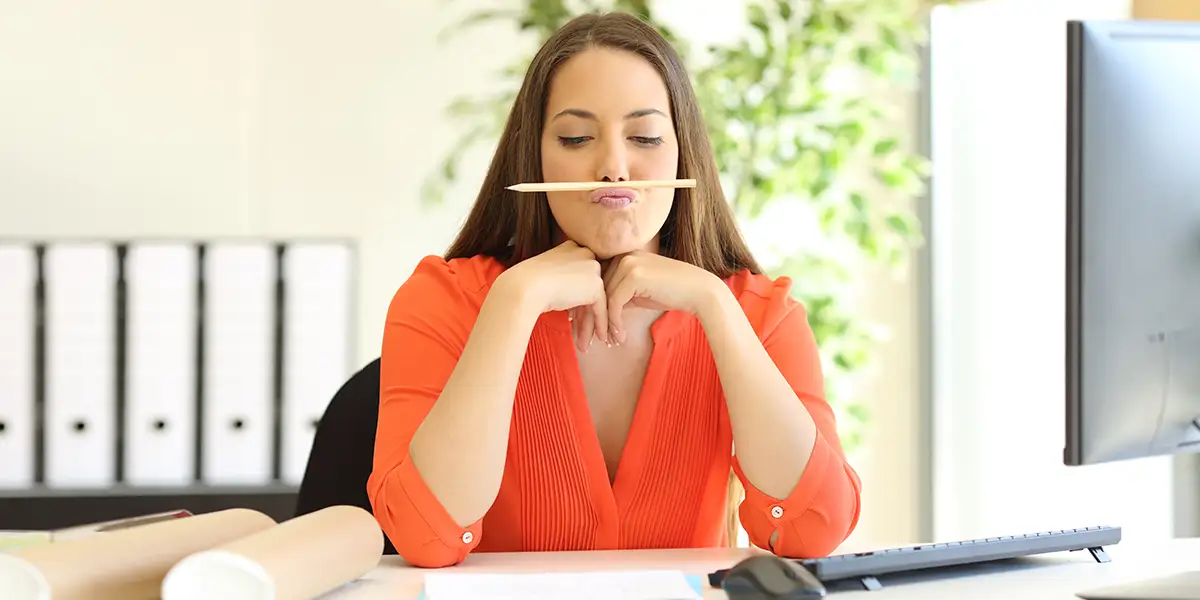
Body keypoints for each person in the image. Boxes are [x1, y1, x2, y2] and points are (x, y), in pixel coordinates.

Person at [366, 11, 861, 569]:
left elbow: (812, 530)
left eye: (644, 137)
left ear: (684, 152)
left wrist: (717, 309)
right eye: (576, 138)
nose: (614, 168)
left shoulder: (759, 312)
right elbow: (425, 536)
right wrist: (513, 303)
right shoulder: (443, 298)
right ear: (535, 156)